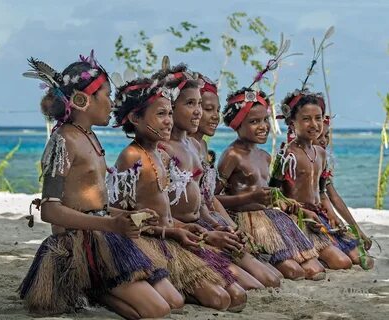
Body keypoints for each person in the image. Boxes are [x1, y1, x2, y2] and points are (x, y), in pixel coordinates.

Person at [18, 52, 175, 319]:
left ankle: (96, 289)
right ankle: (92, 285)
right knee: (157, 310)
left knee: (173, 301)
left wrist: (125, 217)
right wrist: (111, 225)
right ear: (82, 100)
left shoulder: (89, 137)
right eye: (107, 95)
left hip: (103, 236)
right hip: (79, 244)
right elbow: (50, 211)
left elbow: (96, 206)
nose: (112, 103)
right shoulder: (63, 140)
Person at [110, 76, 248, 311]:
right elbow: (118, 216)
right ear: (135, 118)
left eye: (169, 114)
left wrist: (189, 229)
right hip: (149, 242)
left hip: (172, 236)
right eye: (161, 115)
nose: (168, 122)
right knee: (218, 299)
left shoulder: (161, 156)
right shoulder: (132, 157)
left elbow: (165, 211)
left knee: (236, 296)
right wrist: (171, 231)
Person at [152, 63, 276, 290]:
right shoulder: (161, 151)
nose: (199, 112)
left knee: (269, 280)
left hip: (202, 223)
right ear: (170, 105)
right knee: (239, 291)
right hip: (178, 231)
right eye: (192, 104)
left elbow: (204, 201)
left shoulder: (195, 147)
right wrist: (208, 232)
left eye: (201, 105)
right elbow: (157, 211)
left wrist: (222, 225)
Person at [216, 81, 327, 280]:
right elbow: (212, 199)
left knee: (314, 270)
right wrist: (249, 197)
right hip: (247, 220)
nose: (263, 127)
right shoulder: (231, 155)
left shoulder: (265, 156)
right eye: (254, 122)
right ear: (237, 125)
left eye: (265, 120)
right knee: (293, 272)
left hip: (271, 219)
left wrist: (298, 208)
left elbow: (272, 196)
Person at [270, 88, 361, 270]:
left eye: (318, 118)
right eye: (306, 119)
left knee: (357, 258)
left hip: (319, 217)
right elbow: (273, 195)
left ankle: (320, 251)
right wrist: (300, 212)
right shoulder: (287, 155)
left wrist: (331, 214)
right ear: (292, 122)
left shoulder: (320, 153)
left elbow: (322, 192)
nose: (314, 124)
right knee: (342, 262)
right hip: (298, 219)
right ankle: (308, 253)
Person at [313, 116, 373, 269]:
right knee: (343, 262)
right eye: (319, 135)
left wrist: (357, 230)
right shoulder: (293, 158)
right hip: (307, 218)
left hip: (322, 215)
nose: (323, 140)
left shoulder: (322, 160)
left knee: (362, 259)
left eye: (326, 136)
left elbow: (331, 196)